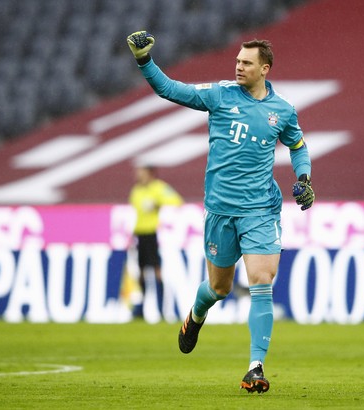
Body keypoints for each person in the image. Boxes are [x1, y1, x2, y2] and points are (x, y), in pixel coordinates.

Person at [127, 31, 315, 394]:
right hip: (219, 211)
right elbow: (170, 89)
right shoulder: (220, 95)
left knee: (261, 281)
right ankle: (196, 316)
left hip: (260, 209)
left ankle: (255, 367)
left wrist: (304, 178)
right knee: (219, 287)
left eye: (246, 63)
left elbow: (298, 145)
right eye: (237, 61)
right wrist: (144, 61)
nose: (239, 66)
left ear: (265, 69)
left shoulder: (283, 111)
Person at [129, 165, 184, 318]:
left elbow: (176, 200)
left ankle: (161, 309)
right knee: (140, 272)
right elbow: (134, 213)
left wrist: (158, 204)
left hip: (152, 235)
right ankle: (140, 309)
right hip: (139, 234)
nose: (139, 176)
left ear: (151, 174)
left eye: (142, 173)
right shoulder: (136, 191)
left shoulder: (158, 188)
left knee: (156, 271)